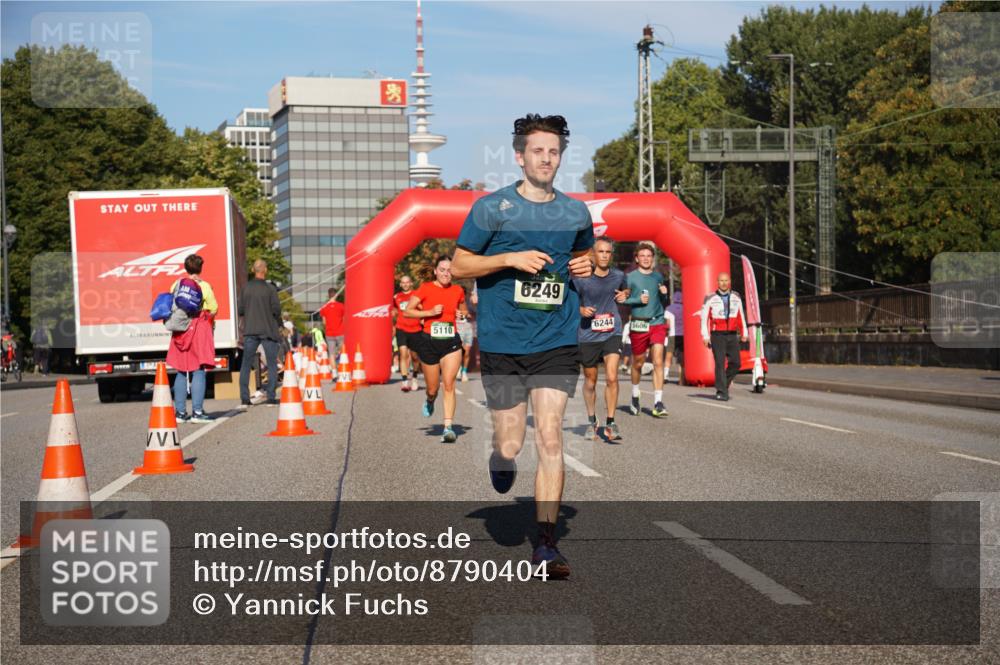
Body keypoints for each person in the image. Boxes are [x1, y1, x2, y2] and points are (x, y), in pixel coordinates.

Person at [451, 113, 594, 579]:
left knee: (550, 436)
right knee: (512, 443)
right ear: (519, 156)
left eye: (553, 151)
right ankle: (499, 456)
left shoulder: (574, 212)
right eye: (537, 151)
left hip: (555, 338)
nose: (546, 158)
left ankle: (547, 545)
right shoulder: (492, 208)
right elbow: (458, 266)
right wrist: (509, 258)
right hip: (503, 340)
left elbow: (583, 255)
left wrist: (585, 267)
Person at [403, 256, 466, 443]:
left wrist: (461, 314)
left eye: (449, 270)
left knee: (449, 384)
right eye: (442, 269)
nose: (446, 273)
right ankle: (430, 400)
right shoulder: (425, 288)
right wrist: (428, 313)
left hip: (451, 342)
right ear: (435, 271)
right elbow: (408, 311)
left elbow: (463, 311)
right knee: (433, 388)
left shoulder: (458, 290)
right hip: (429, 342)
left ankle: (448, 428)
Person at [574, 237, 628, 441]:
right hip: (588, 334)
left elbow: (625, 289)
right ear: (593, 255)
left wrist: (625, 294)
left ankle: (611, 422)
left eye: (608, 252)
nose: (604, 255)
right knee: (590, 380)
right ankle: (591, 419)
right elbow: (569, 303)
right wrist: (580, 309)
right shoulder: (580, 279)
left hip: (612, 332)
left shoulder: (619, 275)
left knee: (612, 376)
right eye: (601, 252)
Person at [166, 254, 217, 423]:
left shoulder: (177, 284)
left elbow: (171, 303)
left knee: (181, 370)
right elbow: (213, 309)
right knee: (198, 369)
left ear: (186, 268)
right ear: (201, 268)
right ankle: (197, 411)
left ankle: (180, 413)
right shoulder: (205, 286)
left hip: (180, 330)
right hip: (198, 330)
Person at [623, 242, 669, 417]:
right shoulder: (630, 277)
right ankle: (635, 395)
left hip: (657, 322)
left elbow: (663, 302)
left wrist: (665, 294)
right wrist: (636, 300)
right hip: (639, 323)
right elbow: (621, 300)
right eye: (642, 256)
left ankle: (658, 402)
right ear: (636, 258)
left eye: (649, 256)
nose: (646, 259)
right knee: (638, 363)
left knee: (658, 361)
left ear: (653, 258)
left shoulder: (658, 277)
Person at [238, 259, 282, 409]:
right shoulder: (270, 289)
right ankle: (270, 397)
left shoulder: (246, 288)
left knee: (246, 364)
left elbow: (241, 310)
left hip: (250, 330)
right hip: (268, 330)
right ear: (266, 270)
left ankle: (244, 399)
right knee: (271, 364)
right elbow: (277, 310)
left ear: (253, 269)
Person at [700, 271, 748, 401]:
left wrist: (745, 332)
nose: (724, 283)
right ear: (717, 282)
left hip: (732, 335)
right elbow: (704, 319)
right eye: (721, 281)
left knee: (736, 363)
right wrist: (705, 336)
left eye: (726, 280)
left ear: (729, 282)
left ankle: (723, 384)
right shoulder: (710, 297)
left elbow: (741, 316)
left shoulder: (736, 297)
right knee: (720, 363)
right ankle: (721, 391)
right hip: (717, 335)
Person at [392, 275, 422, 392]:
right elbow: (394, 310)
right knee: (403, 353)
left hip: (415, 329)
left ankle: (414, 377)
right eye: (403, 282)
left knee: (415, 357)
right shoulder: (396, 297)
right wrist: (393, 315)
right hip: (401, 328)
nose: (405, 284)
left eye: (407, 282)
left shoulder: (416, 295)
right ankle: (404, 381)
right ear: (400, 284)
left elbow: (422, 308)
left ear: (411, 283)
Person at [318, 288, 345, 359]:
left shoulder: (324, 308)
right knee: (343, 352)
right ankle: (342, 368)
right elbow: (344, 319)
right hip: (340, 333)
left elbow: (324, 322)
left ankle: (333, 370)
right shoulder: (341, 306)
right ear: (336, 295)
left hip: (329, 333)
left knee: (331, 354)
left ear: (328, 295)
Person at [666, 290, 685, 381]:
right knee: (682, 358)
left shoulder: (669, 309)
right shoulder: (685, 308)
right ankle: (682, 378)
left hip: (672, 335)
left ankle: (665, 375)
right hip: (683, 336)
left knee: (669, 355)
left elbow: (667, 324)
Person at [456, 300, 475, 383]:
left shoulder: (470, 303)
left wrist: (468, 314)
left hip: (468, 328)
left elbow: (474, 313)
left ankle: (464, 372)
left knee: (467, 353)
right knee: (459, 351)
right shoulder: (454, 303)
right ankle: (458, 368)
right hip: (458, 328)